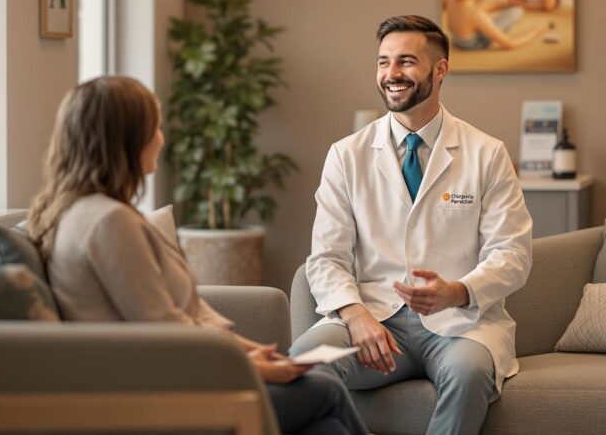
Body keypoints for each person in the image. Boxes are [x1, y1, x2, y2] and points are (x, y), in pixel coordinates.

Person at [26, 76, 367, 435]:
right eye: (155, 127)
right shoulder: (109, 222)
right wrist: (254, 368)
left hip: (166, 374)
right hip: (154, 393)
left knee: (325, 426)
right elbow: (162, 329)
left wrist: (254, 352)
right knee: (323, 390)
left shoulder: (84, 211)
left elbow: (177, 317)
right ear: (126, 140)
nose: (162, 137)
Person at [292, 16, 533, 434]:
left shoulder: (486, 154)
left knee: (469, 373)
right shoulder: (346, 155)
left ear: (440, 70)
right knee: (306, 366)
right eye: (383, 62)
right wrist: (354, 315)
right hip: (374, 317)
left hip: (460, 325)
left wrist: (458, 291)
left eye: (406, 62)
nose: (391, 75)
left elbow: (513, 254)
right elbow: (326, 257)